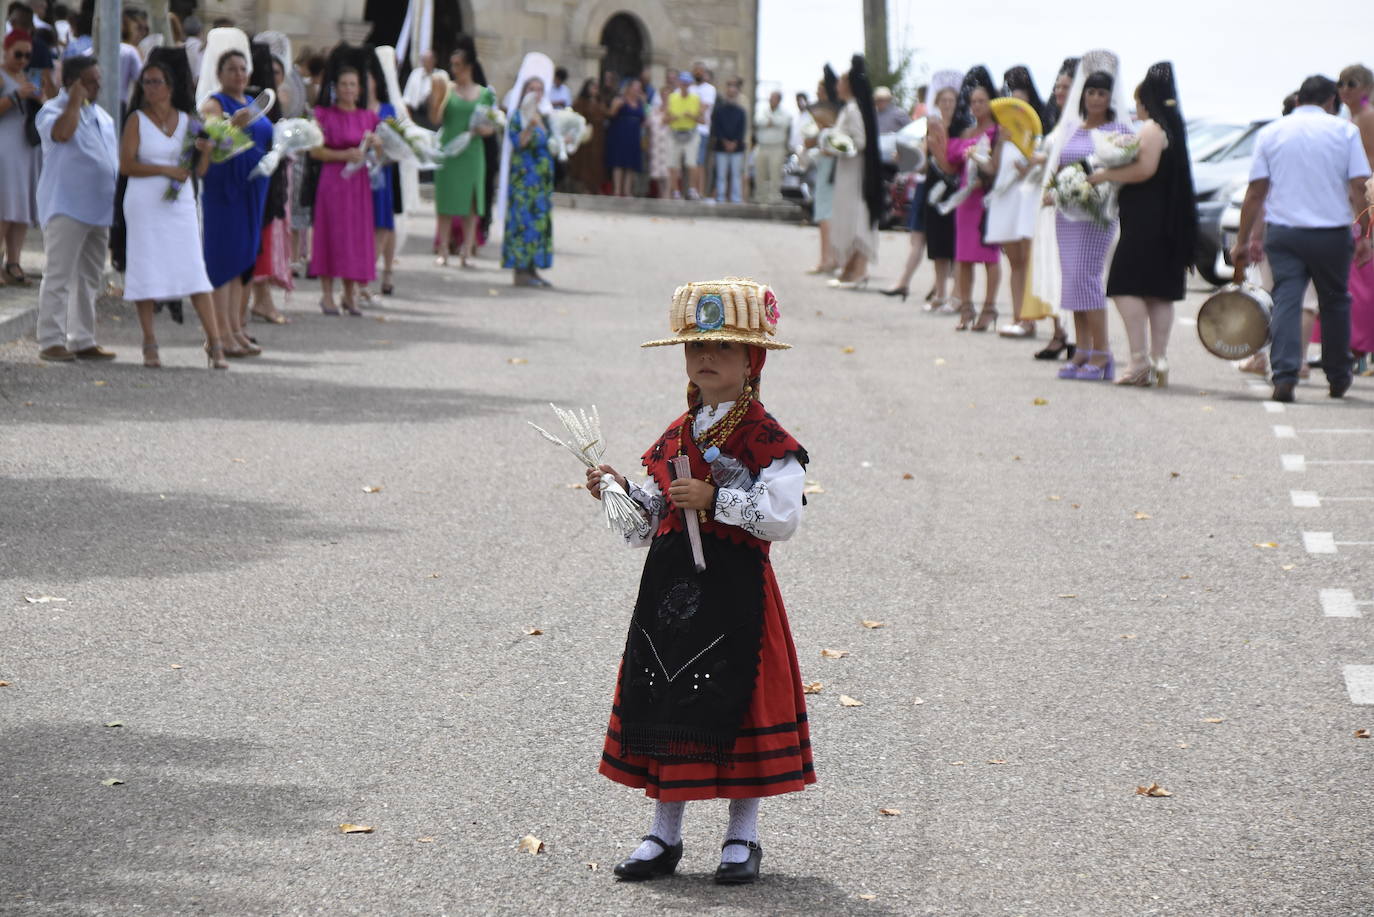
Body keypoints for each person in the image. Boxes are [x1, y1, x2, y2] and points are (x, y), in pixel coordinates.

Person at [588, 277, 812, 886]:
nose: (707, 358)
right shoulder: (673, 435)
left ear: (752, 360)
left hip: (737, 596)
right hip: (670, 600)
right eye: (697, 347)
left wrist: (717, 499)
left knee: (734, 704)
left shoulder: (768, 441)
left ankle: (743, 836)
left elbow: (784, 518)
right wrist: (616, 494)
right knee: (666, 702)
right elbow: (643, 527)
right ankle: (664, 835)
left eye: (724, 348)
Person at [1232, 75, 1372, 402]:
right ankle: (1338, 376)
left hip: (1284, 232)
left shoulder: (1271, 132)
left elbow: (1255, 193)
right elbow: (1358, 186)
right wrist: (1365, 234)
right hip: (1332, 233)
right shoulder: (1345, 131)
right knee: (1335, 300)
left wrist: (1243, 239)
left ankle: (1283, 374)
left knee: (1287, 300)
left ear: (1298, 101)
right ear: (1332, 102)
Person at [1090, 62, 1196, 387]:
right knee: (1159, 292)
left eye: (1137, 102)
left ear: (1146, 100)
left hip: (1146, 222)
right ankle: (1159, 358)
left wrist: (1107, 174)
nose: (1135, 109)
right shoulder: (1174, 128)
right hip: (1168, 221)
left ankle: (1138, 358)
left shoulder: (1152, 129)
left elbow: (1144, 170)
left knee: (1124, 286)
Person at [119, 59, 226, 369]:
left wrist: (205, 153)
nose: (151, 88)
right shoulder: (136, 120)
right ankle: (149, 342)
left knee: (193, 267)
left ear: (169, 87)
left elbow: (199, 170)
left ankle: (215, 342)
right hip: (144, 202)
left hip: (180, 203)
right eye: (146, 83)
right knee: (146, 266)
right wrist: (164, 169)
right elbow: (126, 166)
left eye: (156, 82)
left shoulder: (189, 121)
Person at [1048, 56, 1134, 380]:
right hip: (1067, 213)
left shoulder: (1119, 130)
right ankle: (1081, 349)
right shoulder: (1071, 127)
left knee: (1087, 277)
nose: (1096, 98)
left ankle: (1103, 354)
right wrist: (1055, 190)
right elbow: (1057, 166)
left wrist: (1099, 182)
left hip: (1097, 214)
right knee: (1071, 279)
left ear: (1111, 97)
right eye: (1091, 92)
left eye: (1102, 93)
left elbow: (1121, 171)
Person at [33, 55, 118, 362]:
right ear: (73, 82)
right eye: (90, 81)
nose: (98, 85)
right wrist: (73, 101)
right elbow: (63, 134)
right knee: (58, 274)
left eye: (98, 80)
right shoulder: (52, 111)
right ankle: (50, 340)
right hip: (67, 206)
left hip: (99, 208)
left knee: (89, 276)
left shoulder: (103, 116)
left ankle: (82, 338)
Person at [199, 41, 272, 358]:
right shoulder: (214, 103)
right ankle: (219, 333)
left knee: (244, 259)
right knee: (223, 260)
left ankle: (236, 327)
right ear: (219, 73)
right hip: (224, 188)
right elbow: (208, 137)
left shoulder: (254, 103)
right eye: (232, 69)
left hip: (253, 188)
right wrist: (231, 124)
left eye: (243, 69)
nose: (239, 74)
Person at [929, 66, 1001, 328]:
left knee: (989, 256)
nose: (977, 106)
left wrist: (981, 165)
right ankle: (966, 307)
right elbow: (950, 167)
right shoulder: (967, 133)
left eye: (982, 101)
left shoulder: (996, 132)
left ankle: (989, 307)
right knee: (964, 257)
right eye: (973, 102)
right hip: (964, 199)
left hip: (985, 198)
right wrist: (936, 149)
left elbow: (997, 166)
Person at [310, 65, 380, 314]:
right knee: (331, 233)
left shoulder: (368, 117)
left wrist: (377, 145)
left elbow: (381, 156)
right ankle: (327, 294)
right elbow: (315, 151)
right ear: (335, 88)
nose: (349, 89)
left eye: (353, 84)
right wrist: (343, 154)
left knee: (355, 236)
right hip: (333, 179)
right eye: (344, 84)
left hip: (358, 183)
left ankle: (350, 293)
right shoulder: (323, 115)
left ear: (359, 89)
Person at [1025, 57, 1081, 359]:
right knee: (1050, 268)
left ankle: (1072, 335)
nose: (1059, 92)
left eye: (1066, 87)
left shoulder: (1076, 125)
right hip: (1047, 202)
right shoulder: (1058, 122)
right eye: (1057, 86)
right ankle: (1059, 332)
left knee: (1065, 271)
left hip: (1067, 204)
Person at [985, 65, 1046, 338]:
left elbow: (1044, 162)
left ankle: (1030, 319)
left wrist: (1031, 166)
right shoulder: (1002, 130)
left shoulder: (1039, 130)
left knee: (1028, 257)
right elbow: (994, 166)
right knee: (1014, 261)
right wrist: (999, 141)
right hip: (1006, 195)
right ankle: (1018, 316)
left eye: (1023, 103)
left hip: (1029, 194)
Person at [1321, 64, 1374, 361]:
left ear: (1365, 87)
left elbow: (1367, 166)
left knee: (1363, 279)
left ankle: (1360, 348)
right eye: (1340, 83)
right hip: (1356, 201)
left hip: (1367, 201)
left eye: (1351, 83)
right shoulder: (1352, 116)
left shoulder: (1366, 116)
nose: (1344, 89)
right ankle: (1353, 346)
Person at [428, 34, 495, 267]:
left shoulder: (485, 93)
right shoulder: (447, 89)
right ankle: (443, 248)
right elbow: (436, 118)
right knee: (445, 199)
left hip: (472, 151)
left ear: (469, 66)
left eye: (457, 65)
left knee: (471, 202)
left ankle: (467, 249)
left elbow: (491, 125)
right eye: (452, 65)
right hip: (449, 150)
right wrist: (436, 98)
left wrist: (481, 130)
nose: (453, 69)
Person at [826, 56, 881, 288]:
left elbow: (860, 140)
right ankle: (849, 267)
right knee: (848, 217)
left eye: (840, 81)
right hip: (846, 170)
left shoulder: (853, 110)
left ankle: (859, 270)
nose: (836, 85)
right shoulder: (847, 109)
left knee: (856, 218)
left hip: (856, 173)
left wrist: (839, 144)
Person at [500, 66, 554, 287]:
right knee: (522, 221)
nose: (536, 93)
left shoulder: (544, 116)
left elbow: (549, 143)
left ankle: (532, 268)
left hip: (541, 183)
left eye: (539, 89)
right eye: (532, 88)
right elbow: (518, 143)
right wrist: (530, 127)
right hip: (523, 179)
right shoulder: (518, 116)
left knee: (538, 223)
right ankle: (520, 270)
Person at [0, 29, 41, 287]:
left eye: (27, 55)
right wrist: (16, 96)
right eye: (18, 54)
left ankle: (14, 261)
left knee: (21, 208)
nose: (23, 60)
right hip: (6, 147)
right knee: (4, 206)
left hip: (26, 148)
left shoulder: (24, 75)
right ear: (6, 50)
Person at [802, 68, 840, 275]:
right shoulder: (829, 115)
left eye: (819, 90)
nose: (817, 94)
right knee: (827, 212)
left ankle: (827, 259)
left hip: (830, 165)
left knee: (825, 212)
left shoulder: (834, 114)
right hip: (827, 165)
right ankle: (830, 257)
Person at [662, 71, 701, 200]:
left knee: (691, 162)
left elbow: (703, 119)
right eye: (683, 83)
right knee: (673, 164)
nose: (685, 86)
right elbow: (664, 119)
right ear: (679, 84)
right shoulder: (672, 97)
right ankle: (676, 192)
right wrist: (672, 118)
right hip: (674, 132)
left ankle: (692, 190)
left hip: (690, 132)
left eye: (687, 83)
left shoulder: (695, 98)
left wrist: (692, 116)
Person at [606, 77, 646, 197]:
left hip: (634, 134)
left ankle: (627, 190)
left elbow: (643, 118)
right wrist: (617, 106)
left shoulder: (640, 102)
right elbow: (610, 114)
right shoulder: (620, 99)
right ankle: (617, 190)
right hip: (620, 133)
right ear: (629, 88)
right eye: (635, 87)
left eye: (639, 88)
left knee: (631, 163)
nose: (637, 90)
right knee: (619, 162)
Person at [710, 77, 746, 204]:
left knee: (736, 175)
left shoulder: (741, 112)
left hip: (737, 148)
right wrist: (724, 141)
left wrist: (734, 142)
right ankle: (720, 197)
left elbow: (741, 130)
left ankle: (736, 199)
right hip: (721, 146)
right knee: (721, 175)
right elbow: (717, 128)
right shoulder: (719, 110)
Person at [753, 90, 790, 203]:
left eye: (773, 98)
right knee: (760, 172)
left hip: (777, 147)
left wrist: (770, 121)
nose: (771, 100)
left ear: (779, 100)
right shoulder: (763, 110)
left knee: (775, 173)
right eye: (770, 98)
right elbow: (758, 121)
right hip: (762, 146)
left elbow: (784, 123)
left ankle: (774, 197)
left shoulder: (784, 112)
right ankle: (760, 196)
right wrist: (770, 123)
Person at [646, 67, 675, 198]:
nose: (665, 97)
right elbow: (649, 122)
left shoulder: (673, 110)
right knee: (658, 171)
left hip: (669, 142)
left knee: (667, 169)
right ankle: (660, 193)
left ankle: (667, 194)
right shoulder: (655, 109)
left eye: (667, 95)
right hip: (656, 143)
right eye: (663, 95)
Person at [689, 62, 715, 200]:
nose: (698, 73)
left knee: (699, 162)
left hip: (701, 130)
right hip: (686, 129)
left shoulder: (709, 89)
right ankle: (689, 190)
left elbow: (703, 108)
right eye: (696, 70)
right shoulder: (690, 88)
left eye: (701, 71)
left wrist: (690, 111)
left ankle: (698, 191)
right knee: (688, 162)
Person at [401, 48, 435, 124]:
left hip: (430, 116)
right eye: (423, 60)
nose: (425, 63)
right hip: (414, 114)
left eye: (427, 60)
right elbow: (407, 98)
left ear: (433, 61)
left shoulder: (438, 76)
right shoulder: (415, 73)